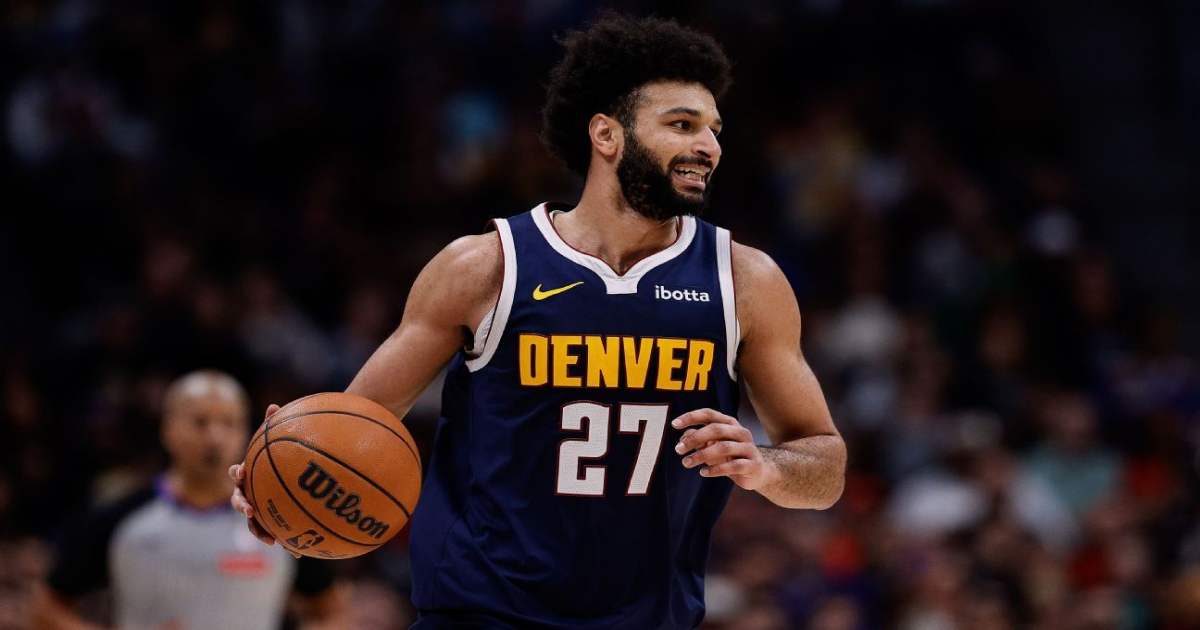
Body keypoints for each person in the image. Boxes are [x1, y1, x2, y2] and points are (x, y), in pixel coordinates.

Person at [231, 14, 847, 630]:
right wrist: (279, 479)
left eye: (714, 129)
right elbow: (351, 427)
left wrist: (764, 466)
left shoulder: (745, 280)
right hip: (481, 614)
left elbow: (825, 466)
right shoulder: (486, 267)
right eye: (682, 124)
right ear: (606, 134)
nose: (709, 145)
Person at [33, 370, 349, 630]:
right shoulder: (120, 518)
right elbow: (45, 613)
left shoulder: (280, 521)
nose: (214, 437)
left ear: (246, 434)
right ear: (167, 430)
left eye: (229, 423)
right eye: (200, 422)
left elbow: (334, 614)